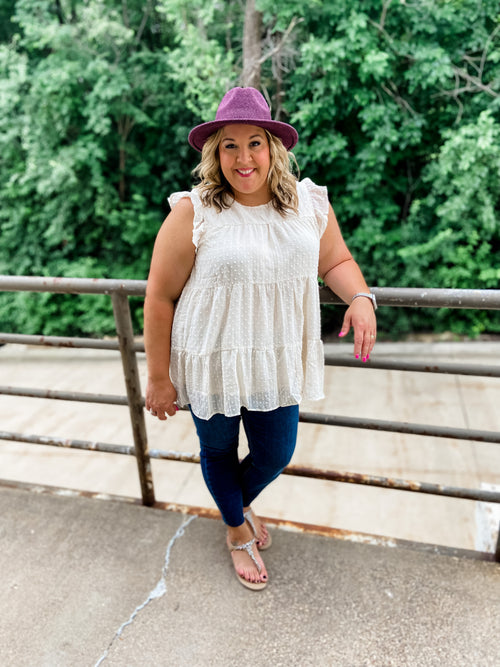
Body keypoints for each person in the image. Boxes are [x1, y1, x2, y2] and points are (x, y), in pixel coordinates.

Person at [144, 87, 377, 591]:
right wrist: (158, 378)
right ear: (215, 152)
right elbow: (160, 297)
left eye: (255, 142)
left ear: (274, 147)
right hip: (211, 358)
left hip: (274, 357)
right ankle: (234, 529)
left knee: (275, 452)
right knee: (219, 451)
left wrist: (360, 297)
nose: (243, 157)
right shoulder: (195, 211)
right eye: (230, 145)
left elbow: (335, 261)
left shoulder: (306, 203)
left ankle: (235, 504)